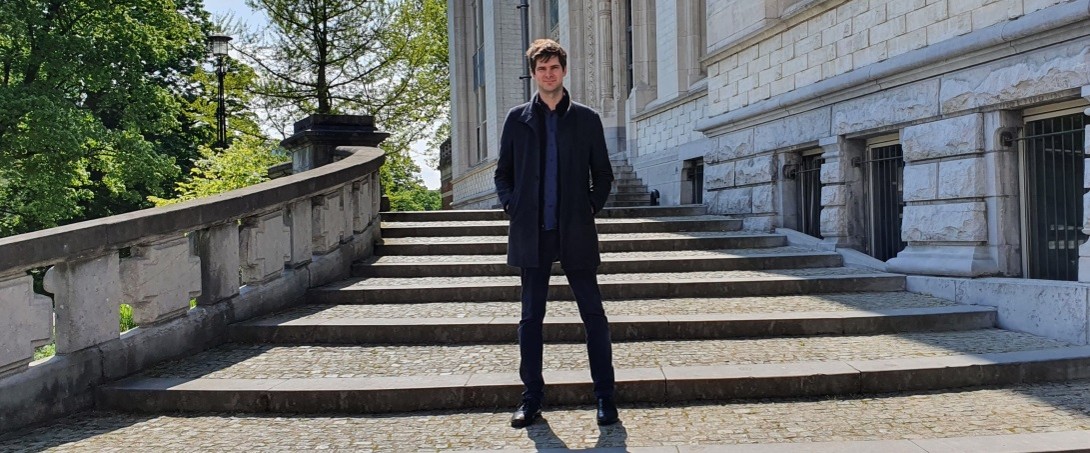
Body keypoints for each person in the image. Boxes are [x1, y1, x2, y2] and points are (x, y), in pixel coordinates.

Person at [494, 38, 617, 429]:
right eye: (542, 69)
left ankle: (605, 397)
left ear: (564, 70)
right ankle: (531, 398)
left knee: (593, 315)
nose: (548, 74)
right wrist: (512, 205)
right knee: (531, 318)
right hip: (533, 232)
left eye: (554, 67)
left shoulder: (587, 119)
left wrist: (588, 207)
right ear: (534, 74)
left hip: (574, 229)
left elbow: (603, 174)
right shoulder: (517, 119)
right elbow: (503, 174)